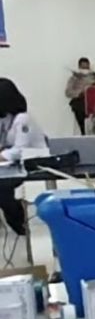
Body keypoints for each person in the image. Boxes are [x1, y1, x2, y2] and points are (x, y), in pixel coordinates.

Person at [0, 78, 49, 236]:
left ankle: (20, 224)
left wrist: (2, 155)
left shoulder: (23, 119)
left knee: (3, 188)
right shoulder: (6, 119)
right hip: (15, 166)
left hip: (34, 165)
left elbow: (19, 150)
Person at [65, 58, 95, 135]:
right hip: (80, 101)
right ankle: (83, 132)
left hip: (94, 101)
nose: (85, 70)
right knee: (78, 108)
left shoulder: (94, 77)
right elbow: (68, 92)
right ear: (79, 67)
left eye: (86, 67)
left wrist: (94, 88)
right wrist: (80, 93)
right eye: (83, 67)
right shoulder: (74, 78)